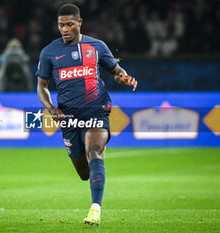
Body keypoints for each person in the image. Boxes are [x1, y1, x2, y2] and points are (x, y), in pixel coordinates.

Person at [36, 3, 137, 226]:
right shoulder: (49, 52)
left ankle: (95, 209)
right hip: (68, 117)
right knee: (83, 172)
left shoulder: (97, 46)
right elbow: (41, 87)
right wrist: (51, 108)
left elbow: (116, 71)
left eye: (69, 24)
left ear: (79, 23)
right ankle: (94, 176)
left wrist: (124, 77)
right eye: (61, 25)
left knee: (95, 152)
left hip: (96, 110)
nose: (65, 29)